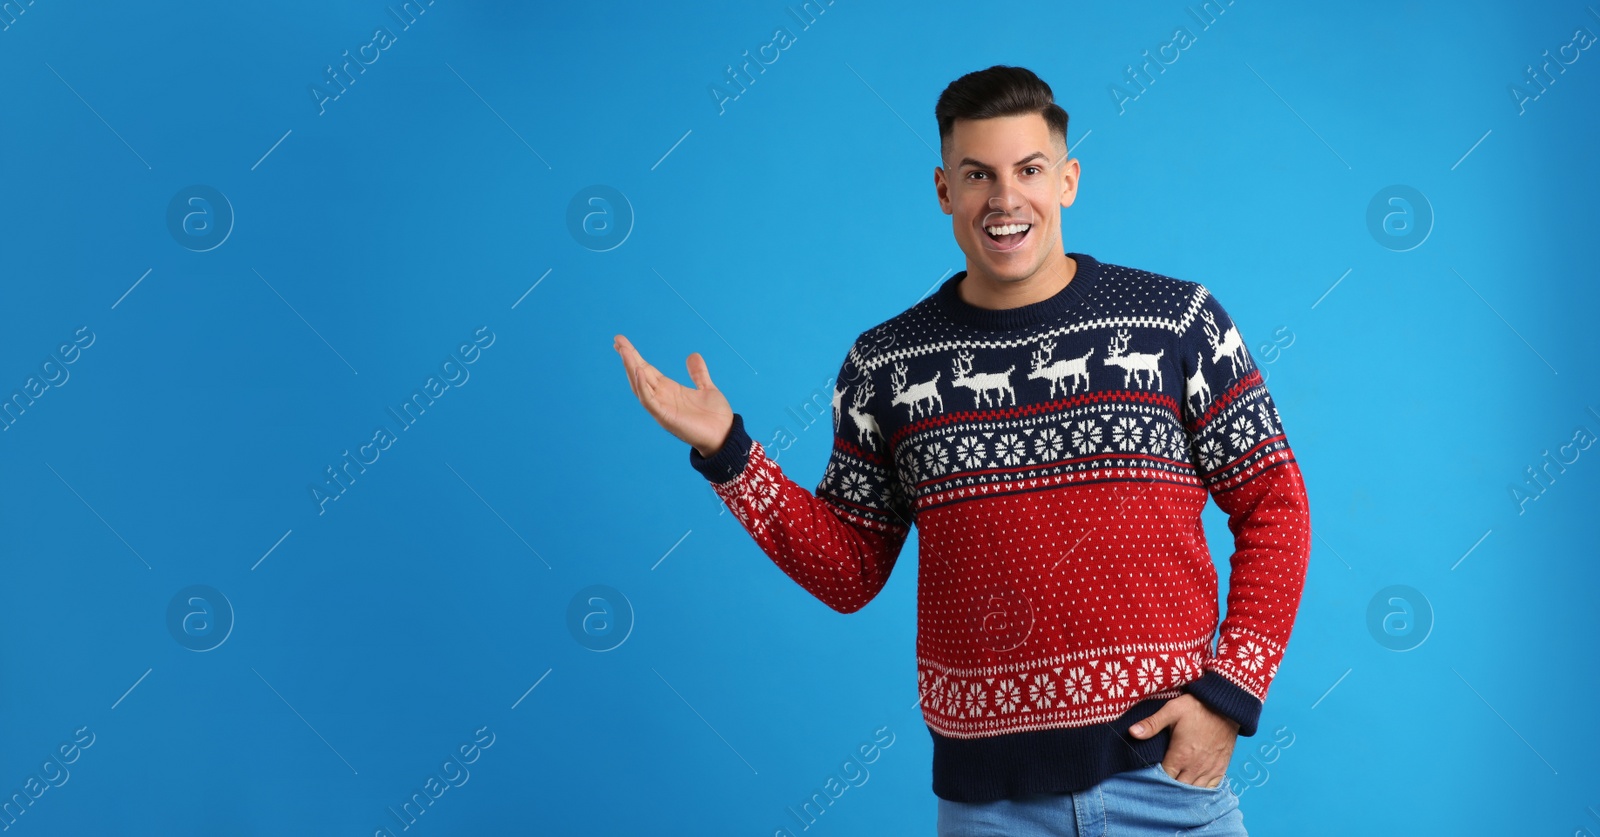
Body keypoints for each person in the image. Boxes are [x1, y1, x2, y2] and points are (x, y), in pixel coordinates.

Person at [613, 65, 1309, 836]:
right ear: (945, 189)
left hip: (1166, 784)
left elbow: (1275, 503)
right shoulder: (887, 365)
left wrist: (1228, 696)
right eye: (979, 175)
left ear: (1068, 180)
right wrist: (729, 453)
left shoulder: (1177, 322)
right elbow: (848, 570)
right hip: (991, 808)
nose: (1006, 200)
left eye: (1030, 170)